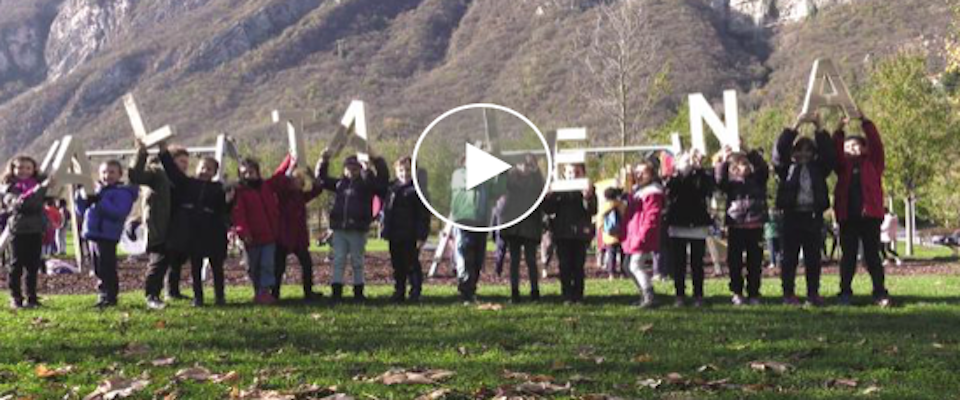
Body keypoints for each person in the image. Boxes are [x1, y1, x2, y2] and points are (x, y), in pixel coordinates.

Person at [772, 113, 836, 307]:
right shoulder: (786, 169)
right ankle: (788, 293)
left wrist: (819, 128)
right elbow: (779, 151)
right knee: (789, 258)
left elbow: (829, 155)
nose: (804, 155)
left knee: (813, 259)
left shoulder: (819, 168)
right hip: (791, 217)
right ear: (794, 153)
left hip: (813, 217)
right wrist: (795, 125)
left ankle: (813, 293)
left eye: (808, 151)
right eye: (800, 151)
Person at [833, 115, 892, 307]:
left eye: (856, 145)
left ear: (865, 148)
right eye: (848, 147)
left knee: (872, 257)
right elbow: (835, 149)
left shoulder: (874, 163)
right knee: (848, 257)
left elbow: (876, 143)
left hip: (870, 217)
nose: (852, 149)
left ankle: (879, 292)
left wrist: (866, 123)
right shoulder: (842, 167)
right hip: (848, 217)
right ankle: (845, 292)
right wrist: (840, 130)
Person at [160, 147, 229, 307]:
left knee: (217, 267)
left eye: (209, 169)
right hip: (194, 232)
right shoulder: (187, 183)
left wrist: (229, 200)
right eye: (202, 167)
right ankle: (198, 297)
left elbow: (224, 211)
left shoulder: (218, 188)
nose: (205, 171)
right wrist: (163, 152)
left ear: (214, 173)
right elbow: (172, 171)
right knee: (195, 266)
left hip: (213, 232)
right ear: (197, 168)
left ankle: (220, 296)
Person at [317, 150, 389, 303]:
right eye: (348, 168)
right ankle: (336, 292)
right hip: (339, 230)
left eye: (355, 168)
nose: (351, 171)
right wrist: (323, 161)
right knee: (338, 260)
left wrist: (373, 164)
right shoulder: (339, 184)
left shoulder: (367, 184)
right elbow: (321, 179)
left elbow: (382, 182)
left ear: (360, 169)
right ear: (344, 169)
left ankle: (358, 291)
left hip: (358, 230)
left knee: (357, 261)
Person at [76, 160, 139, 308]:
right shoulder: (97, 190)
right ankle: (103, 294)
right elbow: (81, 210)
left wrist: (100, 201)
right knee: (97, 266)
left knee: (107, 266)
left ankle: (110, 295)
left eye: (112, 172)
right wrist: (80, 195)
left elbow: (119, 212)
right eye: (104, 172)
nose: (107, 175)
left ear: (119, 175)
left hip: (108, 235)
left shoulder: (123, 193)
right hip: (93, 233)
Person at [715, 147, 769, 306]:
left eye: (744, 164)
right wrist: (724, 160)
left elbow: (763, 168)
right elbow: (719, 180)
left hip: (755, 225)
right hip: (736, 225)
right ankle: (737, 291)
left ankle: (753, 292)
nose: (742, 168)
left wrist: (748, 151)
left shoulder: (758, 179)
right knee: (734, 261)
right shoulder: (730, 184)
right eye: (736, 166)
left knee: (755, 261)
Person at [449, 152, 505, 303]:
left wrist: (502, 173)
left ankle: (472, 290)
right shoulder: (459, 174)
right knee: (464, 256)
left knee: (478, 258)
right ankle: (465, 292)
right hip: (463, 221)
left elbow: (498, 190)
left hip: (481, 222)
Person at [130, 142, 176, 310]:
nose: (184, 164)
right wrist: (141, 153)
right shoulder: (157, 172)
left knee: (170, 262)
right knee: (157, 262)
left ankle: (172, 291)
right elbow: (135, 175)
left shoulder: (175, 176)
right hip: (158, 227)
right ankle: (151, 295)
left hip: (173, 228)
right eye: (181, 160)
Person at [271, 154, 324, 301]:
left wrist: (311, 175)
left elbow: (318, 189)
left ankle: (308, 292)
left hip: (299, 238)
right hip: (283, 237)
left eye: (300, 182)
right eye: (294, 181)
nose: (297, 184)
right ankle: (274, 293)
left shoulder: (301, 196)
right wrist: (290, 166)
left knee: (307, 265)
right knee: (279, 268)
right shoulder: (283, 195)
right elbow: (278, 183)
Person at [665, 150, 714, 307]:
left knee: (697, 263)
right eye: (685, 161)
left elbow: (708, 189)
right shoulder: (673, 178)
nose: (688, 164)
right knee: (678, 263)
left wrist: (698, 169)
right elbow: (671, 192)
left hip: (697, 224)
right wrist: (680, 174)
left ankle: (698, 294)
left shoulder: (700, 176)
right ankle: (679, 294)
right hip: (678, 223)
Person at [1, 156, 51, 309]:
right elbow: (22, 204)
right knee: (15, 266)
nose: (24, 171)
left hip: (35, 230)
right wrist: (40, 189)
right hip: (18, 230)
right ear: (13, 169)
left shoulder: (38, 183)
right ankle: (15, 297)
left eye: (28, 168)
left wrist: (43, 185)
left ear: (33, 170)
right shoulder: (9, 187)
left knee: (32, 266)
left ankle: (32, 298)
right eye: (20, 167)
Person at [542, 163, 596, 304]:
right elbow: (549, 209)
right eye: (570, 172)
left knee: (578, 266)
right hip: (562, 233)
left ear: (583, 173)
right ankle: (566, 295)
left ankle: (578, 295)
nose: (573, 175)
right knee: (564, 266)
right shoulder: (559, 189)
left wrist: (587, 197)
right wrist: (548, 196)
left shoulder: (587, 188)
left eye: (577, 172)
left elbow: (592, 210)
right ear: (564, 174)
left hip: (580, 235)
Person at [233, 158, 282, 305]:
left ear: (257, 172)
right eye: (244, 173)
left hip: (269, 236)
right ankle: (258, 291)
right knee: (252, 266)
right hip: (251, 238)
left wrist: (291, 159)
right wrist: (243, 232)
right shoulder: (240, 192)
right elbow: (238, 214)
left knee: (267, 264)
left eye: (251, 172)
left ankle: (264, 291)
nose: (248, 175)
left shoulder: (266, 186)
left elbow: (279, 175)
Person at [382, 156, 431, 303]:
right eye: (401, 170)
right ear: (396, 171)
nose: (405, 173)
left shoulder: (418, 190)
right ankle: (399, 290)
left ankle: (415, 291)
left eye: (408, 170)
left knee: (411, 264)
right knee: (397, 265)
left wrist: (422, 236)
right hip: (394, 233)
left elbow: (424, 215)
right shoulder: (391, 188)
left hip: (410, 234)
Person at [500, 155, 545, 303]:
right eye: (521, 164)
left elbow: (541, 186)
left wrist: (537, 169)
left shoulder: (535, 180)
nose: (524, 167)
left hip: (529, 226)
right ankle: (515, 293)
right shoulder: (510, 180)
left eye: (527, 165)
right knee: (514, 261)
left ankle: (534, 292)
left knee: (530, 260)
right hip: (515, 226)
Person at [623, 161, 664, 308]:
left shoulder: (652, 192)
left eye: (643, 172)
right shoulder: (636, 191)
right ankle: (644, 292)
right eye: (637, 172)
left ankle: (649, 295)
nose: (639, 175)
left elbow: (651, 217)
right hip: (634, 234)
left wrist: (643, 235)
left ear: (651, 175)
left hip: (643, 234)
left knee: (635, 265)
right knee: (627, 266)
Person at [598, 187, 625, 280]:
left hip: (609, 233)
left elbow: (600, 218)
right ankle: (623, 272)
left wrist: (601, 229)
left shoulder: (604, 206)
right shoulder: (621, 204)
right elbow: (625, 216)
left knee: (611, 254)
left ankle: (611, 273)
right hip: (621, 232)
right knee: (623, 254)